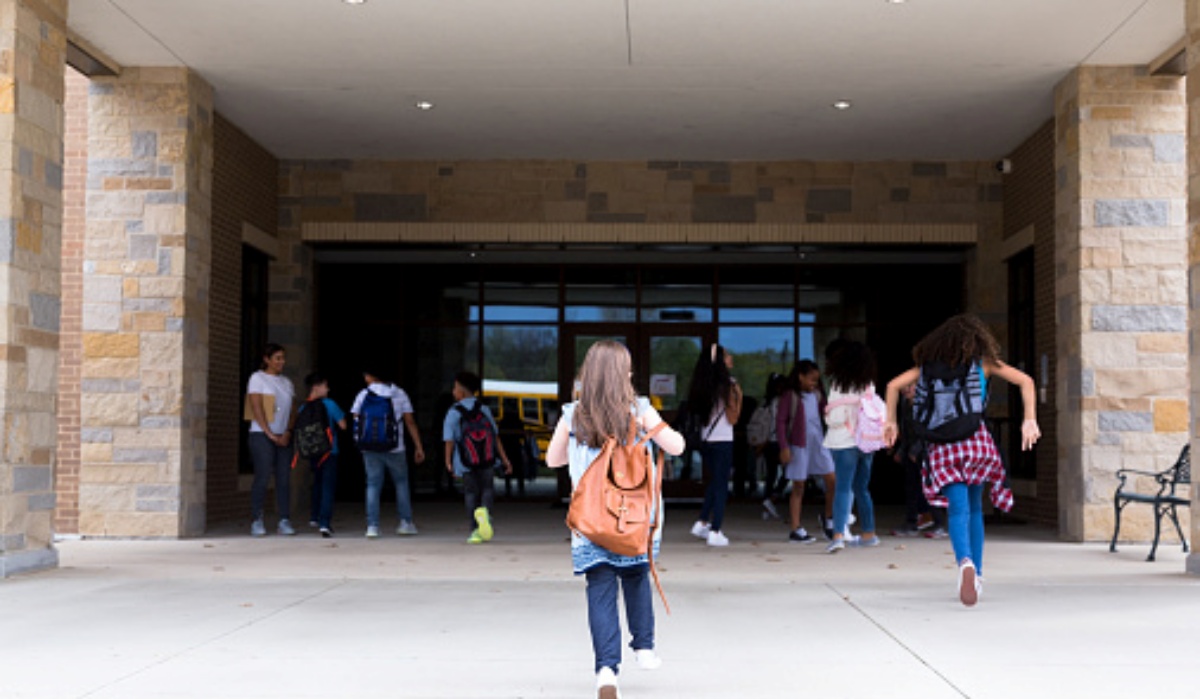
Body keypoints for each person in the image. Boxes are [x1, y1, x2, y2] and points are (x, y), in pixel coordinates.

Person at [546, 340, 685, 699]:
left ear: (588, 375)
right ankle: (644, 646)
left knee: (600, 591)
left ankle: (606, 670)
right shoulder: (640, 410)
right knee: (637, 575)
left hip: (591, 523)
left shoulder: (572, 414)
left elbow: (553, 461)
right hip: (635, 518)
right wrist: (650, 430)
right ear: (622, 374)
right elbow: (677, 446)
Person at [884, 314, 1040, 606]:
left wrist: (890, 421)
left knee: (957, 509)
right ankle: (977, 574)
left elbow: (893, 386)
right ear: (977, 340)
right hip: (976, 441)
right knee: (975, 510)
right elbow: (1026, 381)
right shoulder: (983, 363)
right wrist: (1029, 419)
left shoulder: (927, 368)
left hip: (943, 446)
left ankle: (964, 563)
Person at [351, 370, 427, 538]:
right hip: (395, 447)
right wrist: (418, 446)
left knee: (372, 485)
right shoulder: (399, 393)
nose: (364, 378)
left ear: (372, 376)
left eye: (366, 375)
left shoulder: (363, 395)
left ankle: (372, 526)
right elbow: (410, 422)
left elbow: (356, 419)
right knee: (401, 483)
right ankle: (405, 523)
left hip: (369, 448)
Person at [443, 371, 514, 544]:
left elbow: (449, 440)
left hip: (466, 461)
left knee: (470, 493)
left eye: (454, 388)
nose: (453, 392)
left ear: (461, 391)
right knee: (487, 489)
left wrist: (448, 461)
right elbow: (495, 437)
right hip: (487, 459)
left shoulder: (454, 412)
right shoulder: (484, 409)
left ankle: (474, 530)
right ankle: (486, 515)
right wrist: (505, 460)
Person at [823, 341, 880, 553]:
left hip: (843, 441)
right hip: (866, 442)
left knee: (842, 488)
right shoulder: (869, 384)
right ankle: (869, 533)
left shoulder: (839, 384)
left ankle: (838, 535)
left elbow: (834, 417)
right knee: (862, 489)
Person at [687, 344, 743, 547]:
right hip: (723, 439)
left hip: (706, 440)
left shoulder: (701, 385)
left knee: (714, 481)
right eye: (727, 355)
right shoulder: (728, 385)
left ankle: (702, 521)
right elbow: (733, 417)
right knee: (721, 485)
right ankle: (716, 529)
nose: (730, 358)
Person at [777, 360, 837, 544]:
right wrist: (784, 446)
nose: (814, 383)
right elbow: (780, 422)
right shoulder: (790, 396)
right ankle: (795, 528)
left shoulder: (818, 395)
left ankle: (828, 518)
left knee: (832, 480)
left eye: (816, 380)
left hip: (819, 443)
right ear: (800, 377)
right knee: (798, 486)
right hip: (799, 446)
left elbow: (827, 413)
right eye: (811, 379)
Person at [247, 343, 297, 537]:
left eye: (283, 358)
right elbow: (256, 406)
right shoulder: (257, 378)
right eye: (277, 358)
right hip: (261, 435)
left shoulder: (287, 382)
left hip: (283, 436)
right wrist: (268, 433)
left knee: (284, 478)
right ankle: (257, 519)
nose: (281, 362)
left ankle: (284, 520)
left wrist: (287, 431)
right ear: (267, 359)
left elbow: (292, 410)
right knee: (263, 475)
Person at [889, 383, 944, 538]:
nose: (906, 390)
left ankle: (938, 523)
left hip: (925, 451)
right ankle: (911, 522)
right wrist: (902, 450)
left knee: (930, 487)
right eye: (904, 387)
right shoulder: (905, 405)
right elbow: (905, 430)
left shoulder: (926, 404)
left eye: (910, 386)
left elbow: (929, 430)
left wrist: (917, 450)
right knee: (911, 488)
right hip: (910, 451)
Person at [297, 373, 347, 538]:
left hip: (312, 453)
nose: (328, 389)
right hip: (330, 452)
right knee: (328, 486)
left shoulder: (302, 408)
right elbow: (343, 425)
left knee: (317, 483)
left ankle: (314, 517)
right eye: (325, 386)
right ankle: (325, 523)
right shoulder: (329, 404)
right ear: (316, 387)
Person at [752, 373, 788, 520]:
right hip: (779, 442)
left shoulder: (766, 403)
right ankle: (773, 498)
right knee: (789, 472)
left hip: (768, 443)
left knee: (770, 475)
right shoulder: (782, 402)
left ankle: (767, 506)